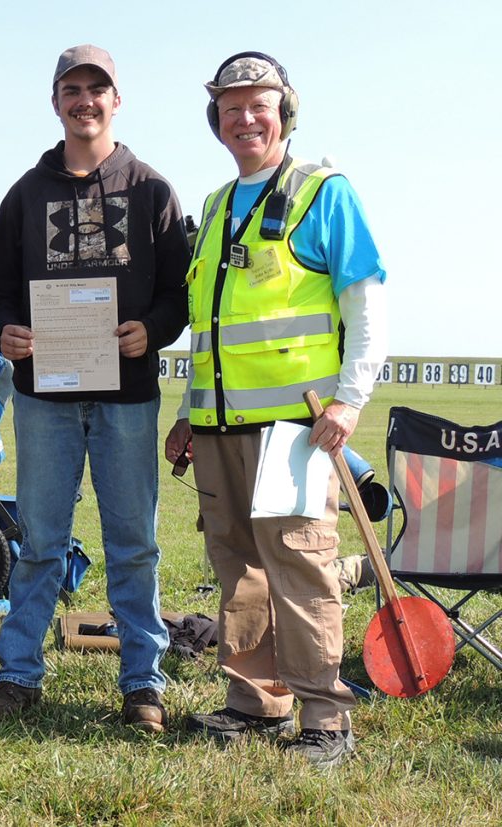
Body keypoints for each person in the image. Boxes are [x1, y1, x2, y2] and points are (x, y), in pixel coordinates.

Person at [165, 52, 387, 768]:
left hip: (297, 423)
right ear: (216, 122)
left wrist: (351, 399)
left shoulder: (325, 192)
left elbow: (365, 302)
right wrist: (188, 412)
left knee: (300, 564)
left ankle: (325, 716)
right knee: (238, 566)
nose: (245, 118)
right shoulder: (215, 206)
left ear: (284, 111)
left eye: (258, 104)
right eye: (231, 108)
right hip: (219, 425)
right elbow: (214, 329)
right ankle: (256, 700)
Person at [0, 45, 190, 732]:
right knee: (40, 540)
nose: (85, 101)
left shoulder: (152, 189)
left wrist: (150, 331)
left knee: (134, 543)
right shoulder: (26, 193)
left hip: (127, 397)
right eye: (72, 89)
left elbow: (177, 293)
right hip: (45, 397)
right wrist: (7, 328)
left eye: (97, 89)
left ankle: (142, 685)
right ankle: (17, 675)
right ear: (56, 101)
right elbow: (0, 292)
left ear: (117, 101)